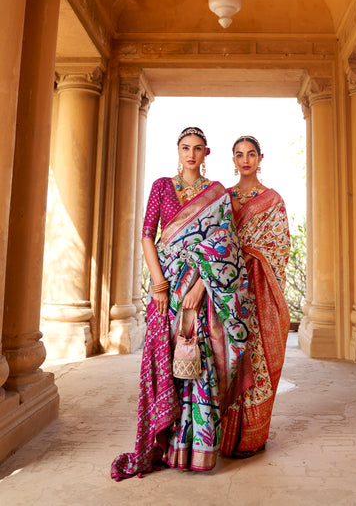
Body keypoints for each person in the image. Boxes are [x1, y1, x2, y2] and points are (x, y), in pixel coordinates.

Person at [111, 127, 250, 480]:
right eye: (185, 148)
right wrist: (158, 284)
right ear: (178, 150)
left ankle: (198, 448)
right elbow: (147, 235)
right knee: (167, 361)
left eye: (198, 149)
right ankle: (167, 443)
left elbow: (226, 245)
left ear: (206, 153)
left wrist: (202, 286)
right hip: (167, 285)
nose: (191, 154)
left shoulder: (216, 194)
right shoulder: (161, 186)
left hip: (202, 288)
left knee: (199, 361)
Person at [220, 135, 291, 459]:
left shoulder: (272, 201)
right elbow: (215, 241)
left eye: (251, 154)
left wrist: (252, 256)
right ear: (232, 160)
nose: (245, 159)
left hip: (260, 292)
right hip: (229, 291)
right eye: (239, 155)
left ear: (260, 158)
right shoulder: (223, 197)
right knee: (229, 360)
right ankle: (226, 436)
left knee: (259, 358)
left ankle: (252, 436)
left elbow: (280, 248)